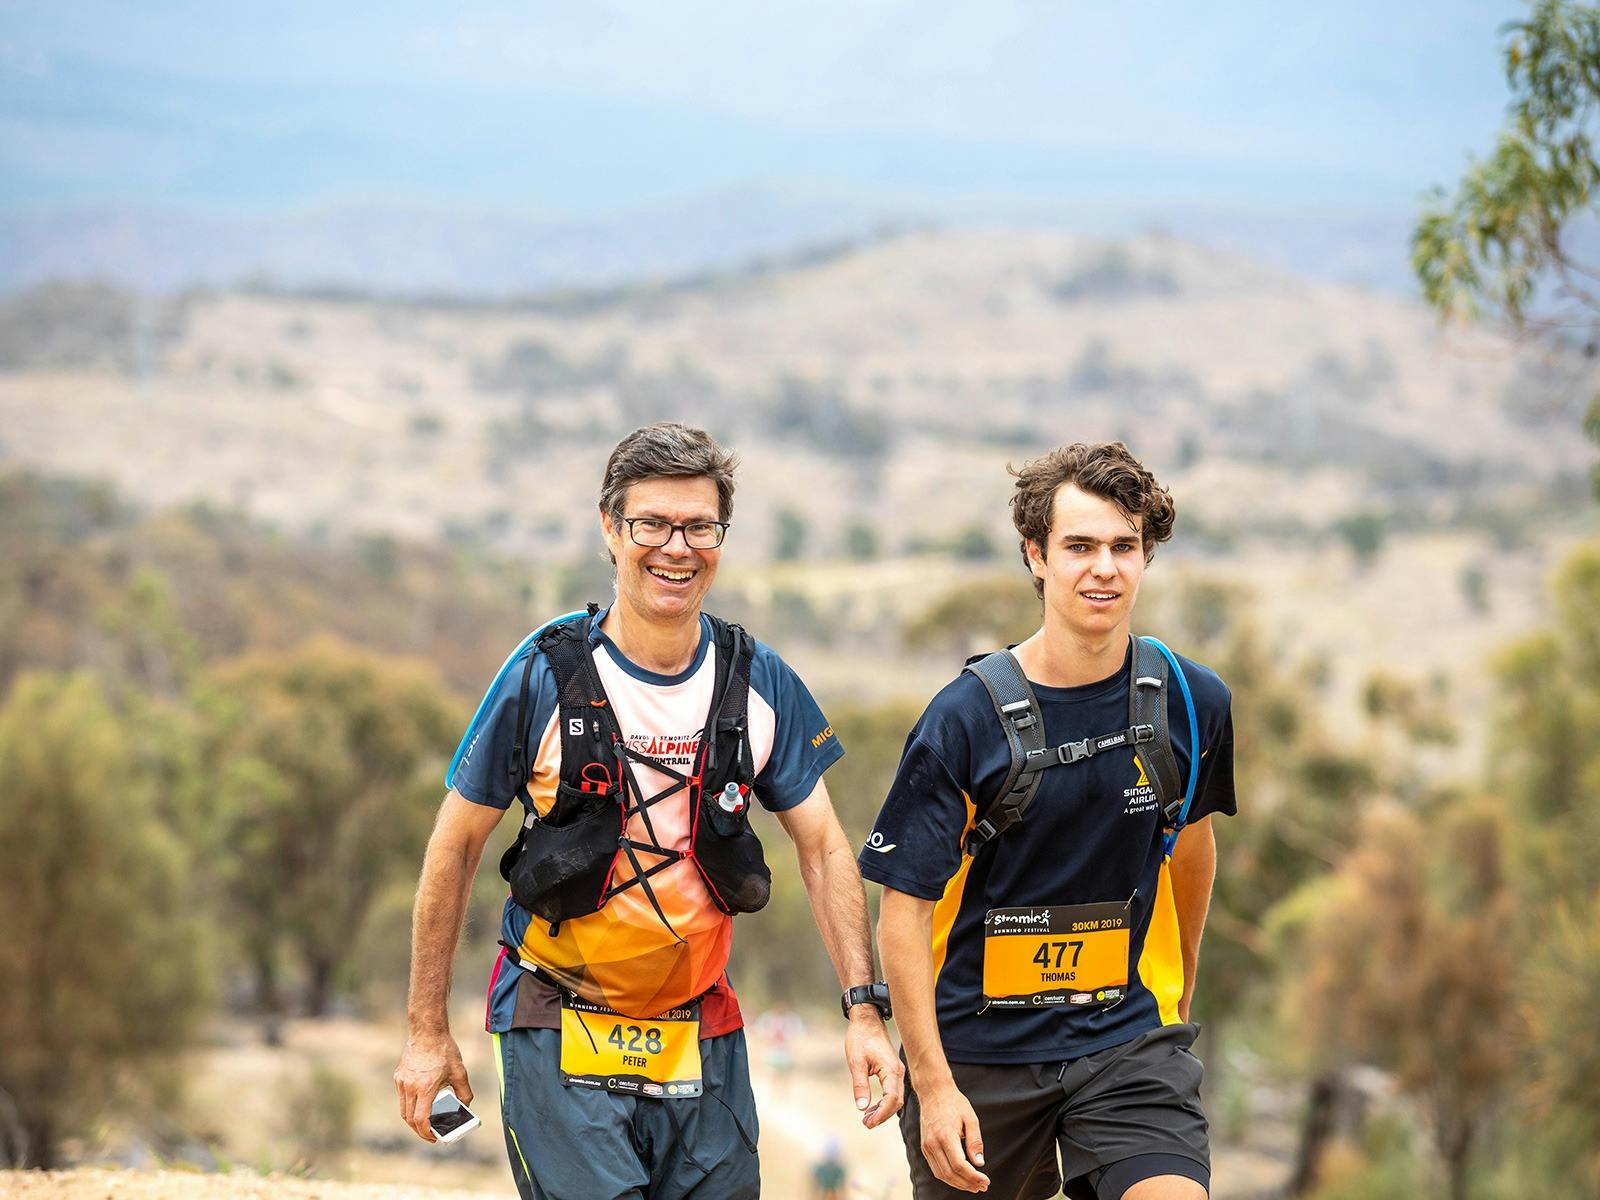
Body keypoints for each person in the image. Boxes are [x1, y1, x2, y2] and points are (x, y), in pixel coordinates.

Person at [395, 422, 902, 1199]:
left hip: (702, 1028)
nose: (678, 547)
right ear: (610, 528)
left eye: (701, 526)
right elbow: (455, 845)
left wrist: (863, 1011)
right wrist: (426, 1032)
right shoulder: (543, 675)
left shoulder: (759, 681)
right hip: (554, 1016)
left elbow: (827, 847)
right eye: (652, 524)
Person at [861, 443, 1235, 1200]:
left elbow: (1193, 851)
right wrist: (932, 1086)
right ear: (1036, 555)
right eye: (1080, 546)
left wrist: (1176, 1001)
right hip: (978, 1059)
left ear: (1147, 555)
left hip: (1125, 1041)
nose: (1104, 567)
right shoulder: (963, 719)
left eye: (1124, 546)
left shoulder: (1193, 704)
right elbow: (902, 914)